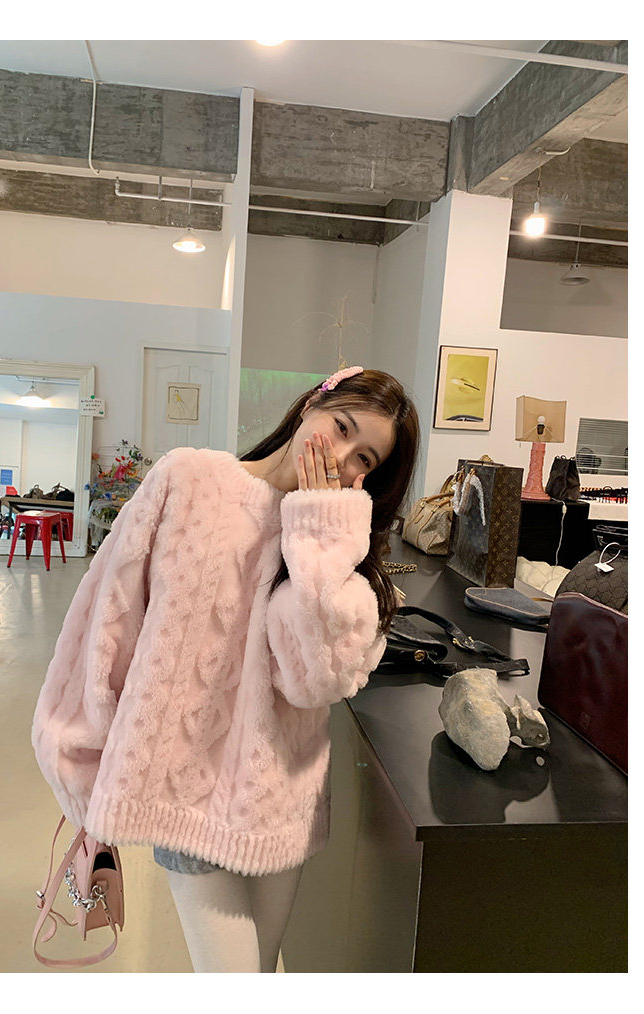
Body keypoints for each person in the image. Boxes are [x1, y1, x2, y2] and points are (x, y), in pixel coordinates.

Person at [31, 365, 420, 972]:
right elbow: (107, 622)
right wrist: (83, 761)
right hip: (184, 791)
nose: (342, 458)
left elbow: (315, 681)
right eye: (342, 427)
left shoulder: (334, 541)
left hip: (279, 800)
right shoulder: (187, 479)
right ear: (311, 406)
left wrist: (319, 535)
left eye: (364, 459)